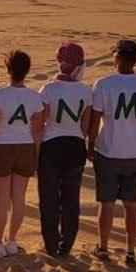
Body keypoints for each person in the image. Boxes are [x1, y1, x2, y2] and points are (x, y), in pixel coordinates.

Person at [88, 39, 136, 265]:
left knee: (107, 203)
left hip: (108, 151)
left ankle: (103, 247)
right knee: (132, 204)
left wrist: (89, 144)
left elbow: (95, 120)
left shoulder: (103, 84)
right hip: (134, 154)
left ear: (118, 57)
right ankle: (131, 251)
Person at [0, 50, 45, 258]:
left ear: (8, 70)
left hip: (2, 147)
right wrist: (36, 155)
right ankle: (12, 240)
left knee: (1, 198)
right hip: (25, 147)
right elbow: (37, 132)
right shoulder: (35, 98)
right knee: (18, 197)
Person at [37, 42, 92, 257]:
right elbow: (85, 126)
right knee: (71, 199)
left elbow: (41, 122)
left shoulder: (48, 89)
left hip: (51, 146)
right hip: (75, 145)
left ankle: (50, 244)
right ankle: (66, 243)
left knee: (49, 199)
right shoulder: (86, 91)